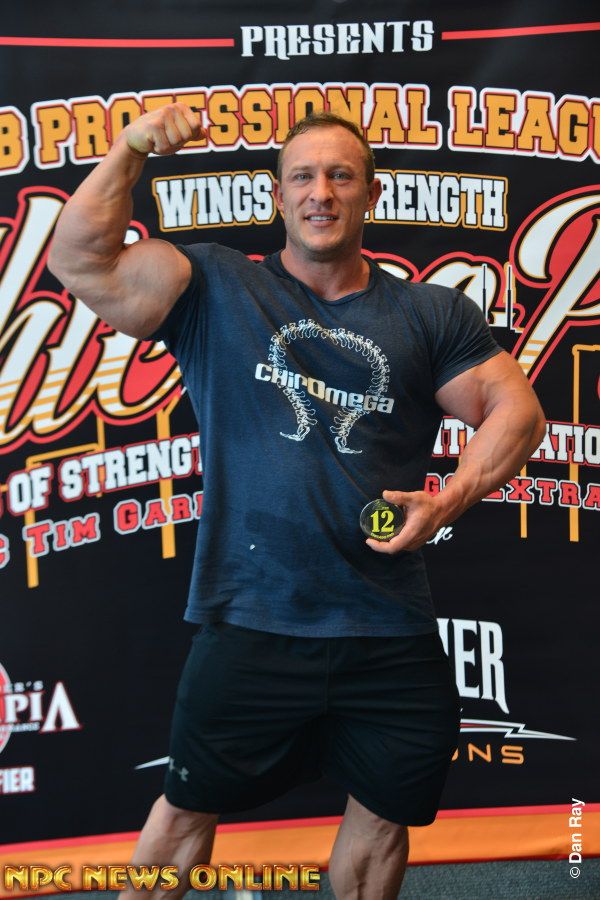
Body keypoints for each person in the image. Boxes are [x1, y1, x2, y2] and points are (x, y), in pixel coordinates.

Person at [49, 104, 546, 899]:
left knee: (382, 826)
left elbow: (516, 411)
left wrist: (449, 498)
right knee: (180, 820)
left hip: (388, 627)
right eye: (304, 177)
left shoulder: (428, 313)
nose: (322, 192)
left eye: (342, 176)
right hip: (253, 617)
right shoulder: (215, 286)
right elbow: (81, 261)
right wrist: (129, 151)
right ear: (278, 197)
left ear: (371, 195)